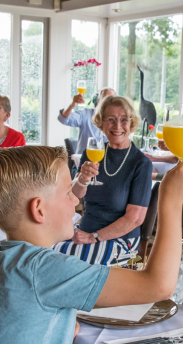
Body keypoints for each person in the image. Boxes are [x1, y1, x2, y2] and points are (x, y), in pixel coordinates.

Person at [0, 146, 183, 344]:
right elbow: (158, 286)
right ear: (39, 210)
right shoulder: (45, 269)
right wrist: (172, 201)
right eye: (67, 193)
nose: (76, 200)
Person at [53, 95, 153, 265]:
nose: (118, 126)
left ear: (131, 123)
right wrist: (83, 178)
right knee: (43, 249)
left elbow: (135, 219)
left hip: (120, 241)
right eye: (111, 120)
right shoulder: (92, 152)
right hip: (84, 231)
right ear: (101, 122)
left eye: (124, 120)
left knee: (63, 259)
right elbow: (74, 196)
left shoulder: (141, 164)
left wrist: (93, 237)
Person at [58, 87, 116, 155]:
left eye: (112, 99)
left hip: (107, 162)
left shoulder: (118, 121)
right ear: (98, 100)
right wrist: (73, 104)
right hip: (84, 161)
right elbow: (64, 119)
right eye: (106, 98)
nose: (109, 102)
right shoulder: (86, 114)